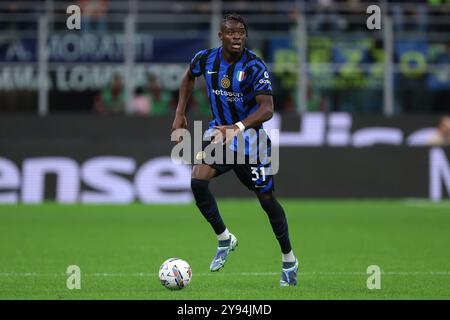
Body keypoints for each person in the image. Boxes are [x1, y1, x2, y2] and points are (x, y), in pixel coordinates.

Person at [171, 13, 298, 286]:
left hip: (252, 144)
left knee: (267, 202)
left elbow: (268, 109)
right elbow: (187, 77)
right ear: (221, 36)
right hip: (220, 135)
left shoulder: (254, 66)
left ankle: (289, 259)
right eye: (231, 32)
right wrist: (180, 113)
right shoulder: (206, 59)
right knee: (197, 181)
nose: (237, 36)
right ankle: (224, 238)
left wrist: (238, 126)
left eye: (241, 32)